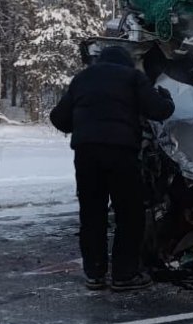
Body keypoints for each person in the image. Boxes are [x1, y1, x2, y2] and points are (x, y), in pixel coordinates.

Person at [50, 45, 175, 290]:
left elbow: (58, 118)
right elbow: (158, 110)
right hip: (121, 153)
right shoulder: (132, 77)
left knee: (92, 214)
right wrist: (167, 98)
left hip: (86, 155)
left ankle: (94, 274)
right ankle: (124, 275)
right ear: (126, 62)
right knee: (129, 214)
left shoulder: (82, 78)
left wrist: (84, 123)